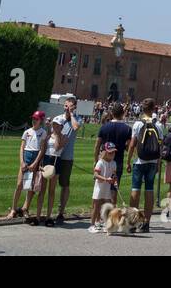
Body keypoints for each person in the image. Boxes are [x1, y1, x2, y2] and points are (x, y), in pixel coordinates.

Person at [42, 96, 82, 225]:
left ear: (74, 107)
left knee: (64, 184)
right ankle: (44, 212)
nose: (66, 108)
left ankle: (61, 211)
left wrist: (71, 114)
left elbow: (76, 128)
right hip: (54, 155)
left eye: (69, 106)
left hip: (66, 156)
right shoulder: (58, 118)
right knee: (48, 184)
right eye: (65, 105)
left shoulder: (77, 118)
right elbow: (51, 134)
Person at [127, 97, 165, 231]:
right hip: (153, 161)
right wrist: (158, 163)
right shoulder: (159, 125)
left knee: (135, 190)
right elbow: (160, 147)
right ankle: (146, 223)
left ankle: (132, 222)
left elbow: (132, 144)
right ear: (154, 108)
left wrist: (128, 160)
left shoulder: (138, 124)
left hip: (140, 161)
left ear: (142, 109)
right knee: (149, 190)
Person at [8, 110, 48, 223]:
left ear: (41, 120)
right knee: (19, 184)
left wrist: (36, 163)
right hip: (26, 156)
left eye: (36, 119)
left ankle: (26, 208)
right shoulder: (27, 132)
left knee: (31, 186)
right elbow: (22, 147)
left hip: (35, 158)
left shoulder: (43, 132)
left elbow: (42, 149)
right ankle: (13, 209)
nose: (34, 121)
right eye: (33, 119)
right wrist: (22, 161)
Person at [89, 142, 119, 234]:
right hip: (99, 188)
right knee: (96, 207)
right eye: (110, 153)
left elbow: (114, 175)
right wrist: (106, 179)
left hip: (107, 188)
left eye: (113, 152)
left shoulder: (114, 163)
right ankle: (92, 225)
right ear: (105, 153)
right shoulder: (100, 162)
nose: (112, 155)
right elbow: (96, 175)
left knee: (107, 207)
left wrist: (115, 180)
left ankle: (107, 224)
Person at [96, 102, 132, 168]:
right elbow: (129, 147)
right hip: (118, 161)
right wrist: (128, 162)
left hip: (103, 159)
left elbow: (97, 146)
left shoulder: (104, 127)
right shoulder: (127, 129)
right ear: (123, 113)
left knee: (100, 178)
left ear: (112, 114)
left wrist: (95, 161)